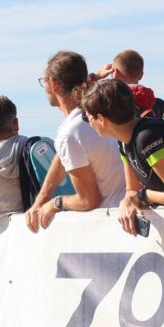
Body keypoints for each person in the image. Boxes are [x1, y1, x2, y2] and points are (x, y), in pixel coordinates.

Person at [80, 79, 164, 235]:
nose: (89, 124)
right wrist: (127, 201)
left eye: (89, 118)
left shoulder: (148, 137)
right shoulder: (123, 141)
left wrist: (143, 196)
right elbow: (131, 189)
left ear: (101, 119)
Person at [25, 51, 126, 232]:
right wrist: (39, 201)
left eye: (44, 81)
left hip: (115, 225)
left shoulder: (70, 133)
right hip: (125, 214)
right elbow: (62, 158)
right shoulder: (97, 114)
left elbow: (89, 200)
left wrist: (56, 203)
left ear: (54, 85)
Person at [94, 49, 164, 118]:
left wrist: (96, 76)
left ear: (114, 73)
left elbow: (84, 96)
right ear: (141, 75)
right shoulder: (159, 105)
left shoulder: (108, 102)